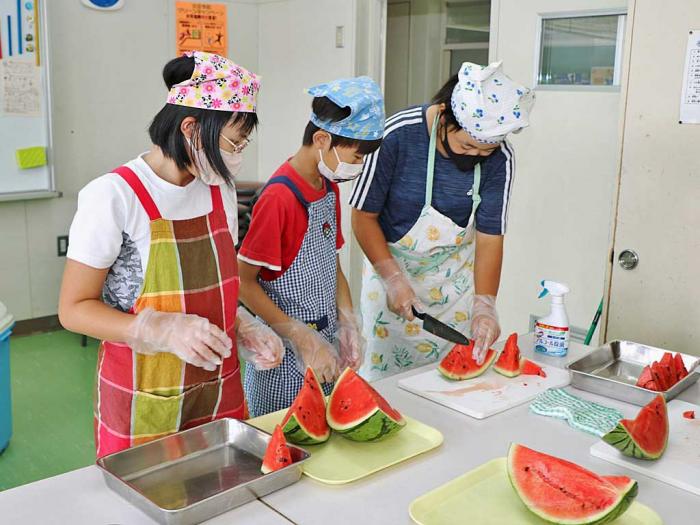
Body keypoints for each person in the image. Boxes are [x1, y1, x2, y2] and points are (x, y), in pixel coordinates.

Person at [58, 52, 283, 458]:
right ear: (190, 128)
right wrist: (156, 329)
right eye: (233, 142)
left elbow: (215, 288)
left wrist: (244, 326)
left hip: (218, 384)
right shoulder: (115, 195)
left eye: (243, 143)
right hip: (145, 394)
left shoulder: (219, 189)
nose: (237, 155)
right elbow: (73, 309)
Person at [350, 62, 534, 381]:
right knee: (385, 389)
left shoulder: (501, 157)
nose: (475, 155)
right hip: (390, 279)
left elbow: (491, 235)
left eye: (484, 151)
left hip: (453, 293)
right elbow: (363, 217)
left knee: (448, 394)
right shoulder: (397, 135)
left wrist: (485, 304)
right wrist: (393, 279)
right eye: (467, 145)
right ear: (447, 114)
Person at [238, 76, 384, 416]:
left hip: (325, 343)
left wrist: (348, 320)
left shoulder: (327, 187)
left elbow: (328, 260)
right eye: (357, 157)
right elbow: (243, 282)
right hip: (286, 354)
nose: (359, 166)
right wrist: (301, 338)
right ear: (322, 139)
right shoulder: (279, 198)